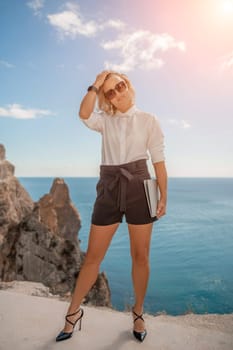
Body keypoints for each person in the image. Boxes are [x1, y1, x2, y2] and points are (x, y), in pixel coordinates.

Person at [56, 70, 167, 343]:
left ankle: (138, 313)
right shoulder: (104, 120)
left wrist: (164, 196)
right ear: (107, 99)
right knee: (93, 257)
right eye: (110, 92)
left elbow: (158, 160)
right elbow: (83, 114)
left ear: (128, 84)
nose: (117, 93)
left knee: (140, 256)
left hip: (140, 186)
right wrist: (95, 84)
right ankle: (72, 314)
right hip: (109, 187)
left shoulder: (148, 119)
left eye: (120, 86)